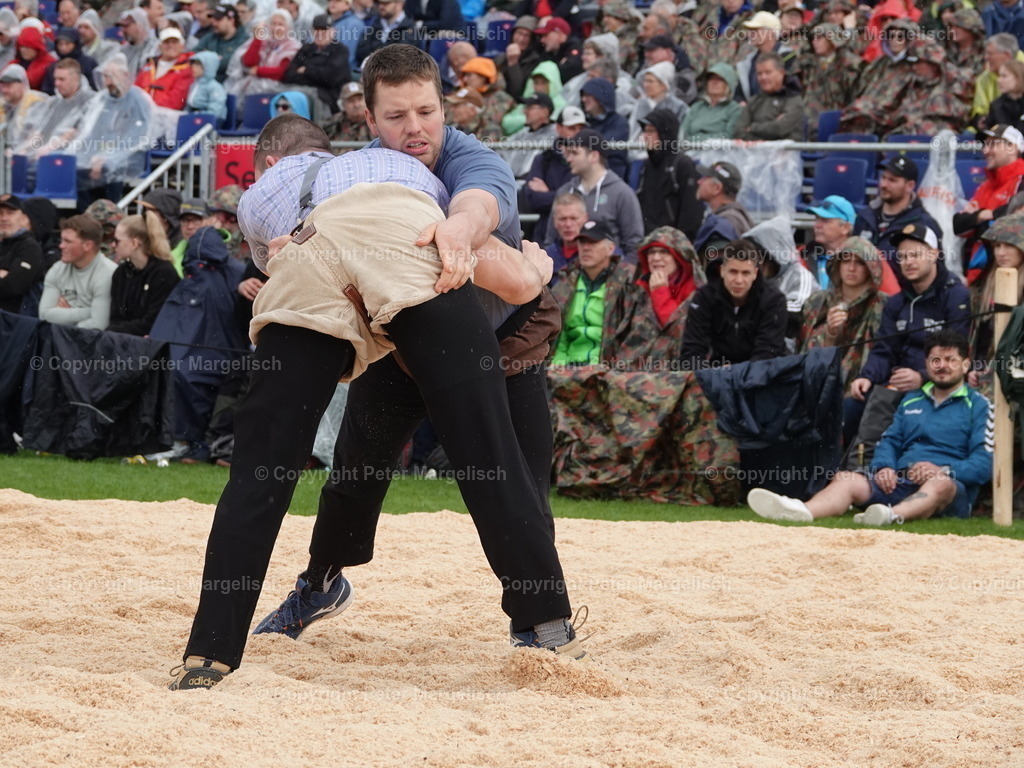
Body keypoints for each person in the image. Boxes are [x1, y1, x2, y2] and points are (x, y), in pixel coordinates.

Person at [170, 48, 586, 689]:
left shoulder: (462, 160)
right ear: (369, 116)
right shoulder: (369, 172)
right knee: (357, 475)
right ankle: (316, 585)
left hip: (500, 335)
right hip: (398, 323)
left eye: (427, 111)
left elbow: (484, 225)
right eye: (398, 115)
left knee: (511, 469)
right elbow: (511, 272)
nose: (415, 127)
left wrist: (478, 241)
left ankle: (539, 621)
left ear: (446, 108)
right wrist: (529, 271)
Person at [749, 330, 993, 525]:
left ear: (965, 365)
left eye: (951, 360)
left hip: (948, 488)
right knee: (846, 478)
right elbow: (890, 441)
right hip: (901, 480)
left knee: (940, 483)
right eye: (936, 360)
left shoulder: (980, 405)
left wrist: (943, 469)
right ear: (927, 364)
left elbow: (984, 463)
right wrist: (884, 467)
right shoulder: (911, 399)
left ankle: (891, 516)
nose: (942, 366)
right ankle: (800, 511)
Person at [846, 224, 972, 444]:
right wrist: (866, 376)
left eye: (915, 255)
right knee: (852, 405)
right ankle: (853, 468)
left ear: (934, 254)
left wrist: (922, 377)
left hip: (939, 384)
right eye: (903, 256)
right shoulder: (897, 301)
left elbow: (957, 354)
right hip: (896, 385)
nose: (908, 262)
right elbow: (884, 350)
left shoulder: (955, 295)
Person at [679, 237, 788, 369]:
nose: (739, 280)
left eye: (745, 273)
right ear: (722, 271)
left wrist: (737, 375)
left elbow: (768, 353)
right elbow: (692, 350)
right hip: (716, 373)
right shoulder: (704, 298)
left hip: (762, 376)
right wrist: (712, 375)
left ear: (755, 273)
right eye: (733, 272)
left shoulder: (774, 301)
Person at [800, 236, 889, 392]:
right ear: (837, 264)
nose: (851, 268)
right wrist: (830, 333)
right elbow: (806, 353)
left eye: (860, 262)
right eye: (846, 261)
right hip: (820, 388)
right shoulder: (818, 302)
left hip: (865, 388)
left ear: (871, 267)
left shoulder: (883, 305)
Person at [546, 128, 644, 262]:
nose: (569, 159)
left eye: (575, 153)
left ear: (593, 156)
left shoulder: (622, 193)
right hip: (563, 275)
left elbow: (634, 244)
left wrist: (621, 277)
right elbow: (550, 239)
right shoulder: (564, 191)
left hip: (609, 276)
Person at [549, 219, 634, 366]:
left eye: (593, 242)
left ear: (610, 248)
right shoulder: (564, 284)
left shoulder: (628, 285)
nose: (586, 248)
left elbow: (631, 338)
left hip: (608, 370)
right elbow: (559, 335)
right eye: (582, 242)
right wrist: (557, 367)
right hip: (566, 369)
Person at [73, 54, 153, 207]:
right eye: (105, 77)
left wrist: (107, 157)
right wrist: (90, 156)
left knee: (111, 169)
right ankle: (87, 217)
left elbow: (136, 137)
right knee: (74, 166)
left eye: (112, 77)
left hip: (128, 157)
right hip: (99, 155)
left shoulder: (138, 99)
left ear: (125, 76)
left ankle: (112, 214)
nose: (107, 82)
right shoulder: (101, 100)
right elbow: (90, 132)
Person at [955, 124, 1024, 282]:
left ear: (1012, 148)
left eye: (993, 144)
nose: (985, 151)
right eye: (985, 145)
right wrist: (985, 216)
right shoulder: (985, 186)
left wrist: (982, 216)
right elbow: (958, 225)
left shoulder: (1021, 180)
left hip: (1012, 275)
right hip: (979, 274)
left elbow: (1015, 220)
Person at [744, 216, 818, 346]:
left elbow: (796, 313)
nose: (756, 263)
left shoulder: (800, 277)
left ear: (772, 255)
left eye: (760, 256)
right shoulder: (755, 278)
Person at [855, 157, 941, 267]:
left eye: (892, 180)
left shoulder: (924, 223)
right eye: (883, 178)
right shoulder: (864, 218)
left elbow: (936, 270)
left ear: (910, 186)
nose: (884, 185)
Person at [106, 212, 180, 335]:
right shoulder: (121, 273)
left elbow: (152, 322)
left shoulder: (164, 274)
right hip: (122, 341)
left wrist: (113, 331)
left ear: (135, 244)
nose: (113, 245)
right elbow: (115, 317)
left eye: (116, 240)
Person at [38, 213, 117, 329]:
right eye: (61, 240)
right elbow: (44, 315)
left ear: (87, 245)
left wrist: (66, 316)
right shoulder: (57, 269)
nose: (61, 246)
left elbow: (99, 324)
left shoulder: (108, 274)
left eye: (67, 241)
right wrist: (88, 312)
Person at [636, 108, 701, 241]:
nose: (645, 136)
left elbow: (691, 212)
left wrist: (681, 243)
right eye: (645, 131)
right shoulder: (647, 166)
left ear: (665, 133)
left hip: (674, 244)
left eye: (651, 131)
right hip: (648, 241)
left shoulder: (683, 165)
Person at [520, 106, 582, 241]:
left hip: (579, 238)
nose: (577, 133)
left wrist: (548, 194)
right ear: (558, 128)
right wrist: (564, 196)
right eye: (572, 128)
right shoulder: (543, 160)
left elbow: (584, 199)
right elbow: (532, 199)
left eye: (580, 128)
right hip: (544, 235)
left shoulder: (586, 162)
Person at [282, 13, 351, 115]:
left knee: (305, 95)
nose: (320, 33)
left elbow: (329, 78)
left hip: (329, 99)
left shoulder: (340, 50)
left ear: (333, 31)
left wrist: (306, 70)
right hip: (303, 91)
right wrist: (316, 76)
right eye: (317, 29)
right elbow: (288, 75)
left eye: (324, 30)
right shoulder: (306, 49)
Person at [229, 9, 300, 103]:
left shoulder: (292, 45)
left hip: (278, 87)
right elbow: (248, 62)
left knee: (254, 87)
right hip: (255, 83)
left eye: (280, 24)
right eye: (273, 24)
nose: (276, 28)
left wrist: (258, 71)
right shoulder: (266, 41)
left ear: (288, 27)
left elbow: (282, 72)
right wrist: (257, 39)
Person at [732, 53, 803, 141]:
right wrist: (760, 141)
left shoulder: (793, 99)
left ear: (781, 73)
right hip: (756, 152)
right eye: (759, 74)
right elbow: (738, 132)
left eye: (768, 72)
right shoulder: (754, 100)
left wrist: (752, 128)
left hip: (785, 153)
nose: (763, 77)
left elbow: (779, 129)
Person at [0, 194, 43, 314]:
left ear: (23, 218)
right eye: (1, 213)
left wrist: (7, 278)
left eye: (10, 213)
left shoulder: (29, 247)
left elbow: (13, 286)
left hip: (13, 324)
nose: (4, 218)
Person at [579, 76, 629, 179]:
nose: (584, 99)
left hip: (611, 174)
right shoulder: (585, 122)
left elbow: (604, 148)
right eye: (583, 95)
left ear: (600, 97)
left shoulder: (619, 122)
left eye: (588, 95)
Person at [803, 195, 856, 289]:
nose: (817, 225)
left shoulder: (869, 259)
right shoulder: (801, 256)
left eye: (825, 220)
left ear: (845, 228)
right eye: (817, 219)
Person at [135, 26, 194, 110]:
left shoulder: (186, 70)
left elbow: (176, 102)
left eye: (174, 42)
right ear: (160, 46)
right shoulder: (148, 67)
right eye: (166, 42)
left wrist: (148, 108)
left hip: (164, 116)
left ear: (182, 46)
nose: (170, 45)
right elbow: (135, 90)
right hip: (139, 112)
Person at [500, 92, 557, 180]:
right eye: (525, 107)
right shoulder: (521, 134)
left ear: (545, 112)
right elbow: (501, 153)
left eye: (530, 108)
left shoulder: (556, 134)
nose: (524, 111)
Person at [680, 62, 741, 142]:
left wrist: (697, 140)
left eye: (720, 79)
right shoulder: (696, 107)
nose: (714, 82)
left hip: (718, 151)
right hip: (690, 150)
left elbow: (728, 136)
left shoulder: (734, 109)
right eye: (711, 78)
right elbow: (682, 133)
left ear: (728, 84)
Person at [194, 4, 249, 83]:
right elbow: (193, 54)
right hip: (204, 82)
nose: (214, 23)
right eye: (213, 19)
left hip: (229, 85)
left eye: (218, 19)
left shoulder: (243, 40)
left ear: (231, 20)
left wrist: (204, 59)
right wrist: (215, 59)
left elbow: (230, 63)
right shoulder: (211, 36)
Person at [695, 161, 752, 236]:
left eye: (705, 178)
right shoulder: (735, 217)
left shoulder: (723, 224)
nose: (699, 182)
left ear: (717, 188)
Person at [38, 27, 97, 95]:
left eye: (67, 44)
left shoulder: (89, 63)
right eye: (60, 44)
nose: (63, 48)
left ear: (76, 44)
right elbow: (47, 91)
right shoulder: (53, 67)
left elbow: (95, 87)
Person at [355, 0, 417, 65]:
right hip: (369, 69)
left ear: (399, 4)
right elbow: (362, 50)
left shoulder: (409, 28)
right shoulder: (375, 24)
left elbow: (402, 57)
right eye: (379, 3)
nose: (381, 6)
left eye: (386, 3)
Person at [545, 191, 588, 277]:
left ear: (585, 218)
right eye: (562, 219)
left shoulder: (600, 254)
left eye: (574, 218)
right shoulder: (546, 256)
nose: (568, 224)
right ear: (555, 221)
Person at [534, 16, 583, 84]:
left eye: (546, 35)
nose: (542, 40)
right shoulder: (549, 52)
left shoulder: (575, 48)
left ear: (559, 35)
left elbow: (568, 71)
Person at [322, 80, 372, 146]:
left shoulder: (375, 123)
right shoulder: (332, 123)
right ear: (342, 105)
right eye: (351, 101)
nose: (357, 105)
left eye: (360, 99)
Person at [186, 50, 227, 123]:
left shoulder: (215, 87)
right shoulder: (195, 84)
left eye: (197, 64)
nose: (192, 67)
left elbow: (216, 110)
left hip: (209, 120)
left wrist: (198, 115)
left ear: (208, 66)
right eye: (192, 64)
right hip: (194, 117)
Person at [118, 8, 160, 78]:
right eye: (122, 26)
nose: (123, 30)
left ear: (139, 25)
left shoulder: (155, 46)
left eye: (126, 26)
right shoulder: (123, 50)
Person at [13, 26, 56, 91]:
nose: (24, 50)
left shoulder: (48, 62)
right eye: (22, 46)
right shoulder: (16, 62)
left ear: (36, 47)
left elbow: (31, 80)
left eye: (28, 47)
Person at [989, 59, 1024, 134]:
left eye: (1004, 76)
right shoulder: (996, 106)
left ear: (1018, 78)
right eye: (999, 76)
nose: (999, 80)